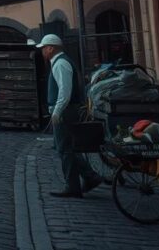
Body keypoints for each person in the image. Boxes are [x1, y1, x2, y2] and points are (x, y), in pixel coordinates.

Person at [37, 34, 103, 198]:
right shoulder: (60, 62)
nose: (42, 52)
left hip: (66, 111)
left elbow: (65, 92)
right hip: (66, 110)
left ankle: (75, 184)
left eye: (43, 48)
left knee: (65, 149)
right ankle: (89, 177)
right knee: (66, 147)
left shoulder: (60, 63)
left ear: (50, 48)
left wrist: (57, 111)